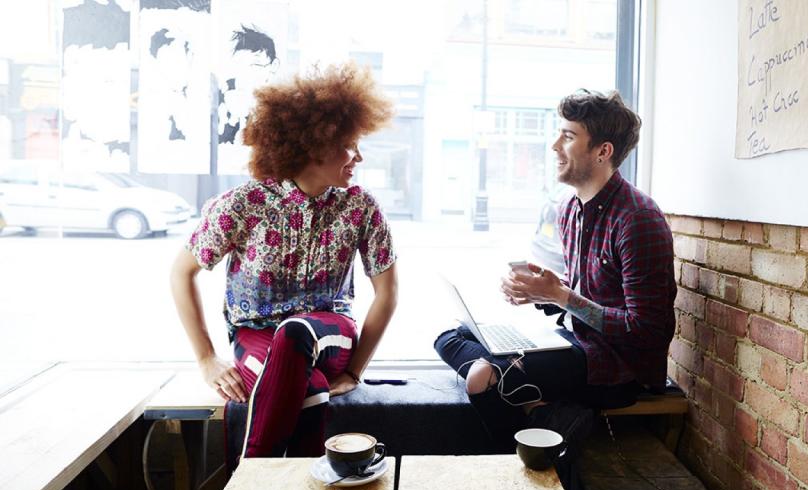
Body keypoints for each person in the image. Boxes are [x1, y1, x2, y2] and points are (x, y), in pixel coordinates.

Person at [170, 62, 398, 460]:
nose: (358, 157)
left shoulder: (360, 207)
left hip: (331, 333)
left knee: (295, 331)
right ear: (313, 144)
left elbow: (388, 294)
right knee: (310, 392)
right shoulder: (244, 204)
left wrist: (354, 372)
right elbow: (182, 272)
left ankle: (249, 482)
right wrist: (206, 358)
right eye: (349, 145)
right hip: (254, 334)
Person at [434, 89, 676, 452]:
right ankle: (543, 414)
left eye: (567, 136)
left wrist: (561, 296)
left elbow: (648, 332)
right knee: (451, 337)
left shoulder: (638, 219)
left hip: (618, 367)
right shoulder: (570, 209)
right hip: (577, 342)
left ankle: (533, 469)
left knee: (482, 376)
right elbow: (587, 298)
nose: (553, 147)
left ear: (602, 151)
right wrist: (541, 293)